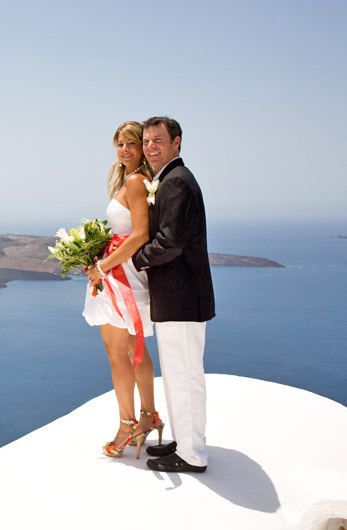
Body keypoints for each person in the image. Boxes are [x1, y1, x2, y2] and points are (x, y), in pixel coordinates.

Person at [132, 116, 215, 473]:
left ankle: (194, 455)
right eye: (147, 141)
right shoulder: (167, 180)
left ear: (176, 142)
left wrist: (136, 259)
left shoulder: (177, 182)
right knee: (176, 374)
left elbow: (171, 243)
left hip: (182, 299)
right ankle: (183, 441)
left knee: (186, 376)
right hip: (174, 299)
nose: (150, 146)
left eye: (157, 140)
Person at [84, 121, 164, 459]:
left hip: (122, 275)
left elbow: (139, 235)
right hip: (125, 271)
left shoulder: (134, 181)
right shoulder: (134, 180)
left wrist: (102, 266)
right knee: (136, 348)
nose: (125, 150)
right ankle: (148, 416)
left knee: (117, 353)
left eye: (132, 144)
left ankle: (126, 424)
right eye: (120, 144)